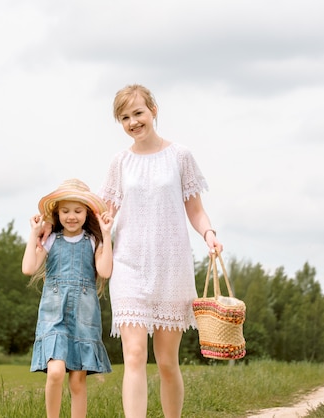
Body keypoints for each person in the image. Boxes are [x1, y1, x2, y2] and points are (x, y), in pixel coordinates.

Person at [100, 84, 223, 417]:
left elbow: (195, 210)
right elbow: (104, 213)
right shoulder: (119, 162)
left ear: (153, 110)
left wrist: (208, 234)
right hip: (128, 265)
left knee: (167, 361)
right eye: (124, 117)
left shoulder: (180, 156)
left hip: (171, 266)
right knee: (135, 355)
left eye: (138, 113)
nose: (132, 122)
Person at [22, 178, 114, 418]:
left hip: (84, 317)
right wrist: (34, 234)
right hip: (53, 315)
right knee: (55, 372)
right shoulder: (51, 240)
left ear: (87, 213)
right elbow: (28, 268)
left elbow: (104, 271)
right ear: (57, 213)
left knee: (77, 382)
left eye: (77, 210)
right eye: (65, 211)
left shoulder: (93, 241)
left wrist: (106, 234)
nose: (71, 216)